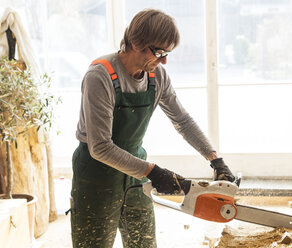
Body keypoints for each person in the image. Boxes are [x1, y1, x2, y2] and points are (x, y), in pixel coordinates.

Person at [71, 8, 235, 248]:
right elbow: (101, 147)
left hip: (136, 175)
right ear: (136, 42)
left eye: (168, 53)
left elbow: (183, 120)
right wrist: (154, 172)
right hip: (96, 176)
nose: (164, 61)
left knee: (143, 243)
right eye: (160, 52)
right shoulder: (100, 76)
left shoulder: (157, 76)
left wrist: (215, 160)